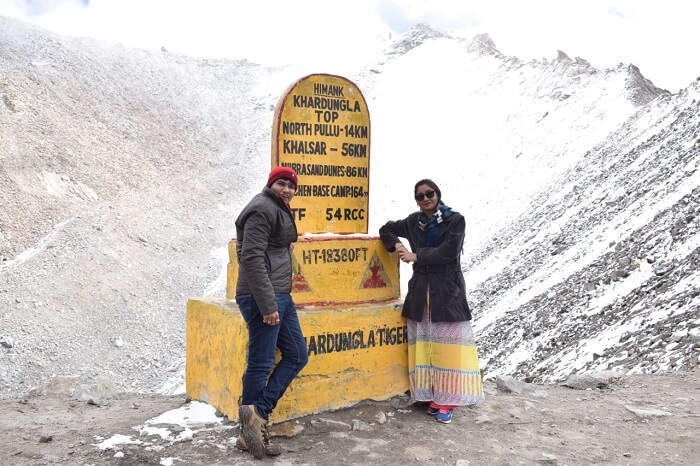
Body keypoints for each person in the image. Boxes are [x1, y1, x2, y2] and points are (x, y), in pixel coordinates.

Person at [379, 179, 485, 424]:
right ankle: (428, 395)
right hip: (421, 293)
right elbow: (387, 228)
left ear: (438, 194)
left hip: (447, 292)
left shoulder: (455, 220)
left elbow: (449, 252)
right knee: (426, 344)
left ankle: (448, 400)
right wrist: (397, 245)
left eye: (430, 194)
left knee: (448, 348)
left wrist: (417, 255)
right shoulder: (414, 222)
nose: (426, 199)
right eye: (420, 196)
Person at [234, 166, 308, 459]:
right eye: (281, 183)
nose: (287, 189)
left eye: (292, 186)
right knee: (261, 363)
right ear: (270, 184)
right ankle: (249, 430)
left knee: (297, 355)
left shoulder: (277, 208)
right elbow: (251, 257)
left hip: (280, 295)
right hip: (262, 296)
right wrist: (268, 305)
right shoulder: (262, 209)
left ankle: (256, 417)